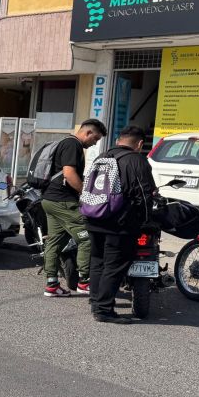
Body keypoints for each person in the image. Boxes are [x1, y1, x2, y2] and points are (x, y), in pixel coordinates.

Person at [85, 125, 157, 324]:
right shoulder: (137, 160)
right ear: (140, 144)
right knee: (115, 265)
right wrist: (145, 220)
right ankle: (103, 310)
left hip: (94, 216)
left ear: (119, 140)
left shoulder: (102, 158)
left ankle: (96, 301)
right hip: (120, 222)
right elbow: (144, 194)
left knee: (98, 261)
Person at [41, 118, 106, 297]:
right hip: (63, 201)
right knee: (87, 237)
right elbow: (69, 173)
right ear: (88, 133)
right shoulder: (72, 145)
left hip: (50, 200)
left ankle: (51, 285)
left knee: (55, 242)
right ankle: (84, 282)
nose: (94, 144)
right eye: (95, 139)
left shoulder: (65, 142)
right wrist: (85, 194)